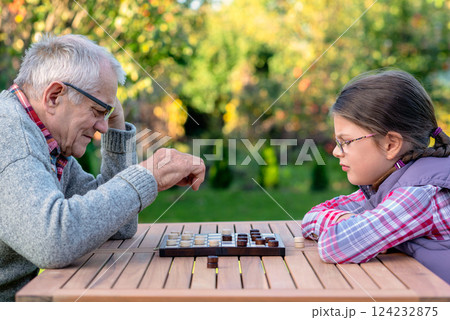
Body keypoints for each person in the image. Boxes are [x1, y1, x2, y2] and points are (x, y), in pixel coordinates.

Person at [0, 34, 205, 301]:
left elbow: (117, 227)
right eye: (97, 111)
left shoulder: (47, 142)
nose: (102, 127)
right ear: (53, 96)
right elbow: (52, 242)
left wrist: (117, 127)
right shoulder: (12, 136)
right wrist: (147, 176)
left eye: (106, 114)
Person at [301, 69, 450, 283]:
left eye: (345, 141)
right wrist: (353, 221)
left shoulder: (419, 194)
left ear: (391, 144)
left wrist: (357, 226)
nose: (335, 151)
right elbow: (311, 217)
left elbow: (334, 245)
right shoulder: (390, 183)